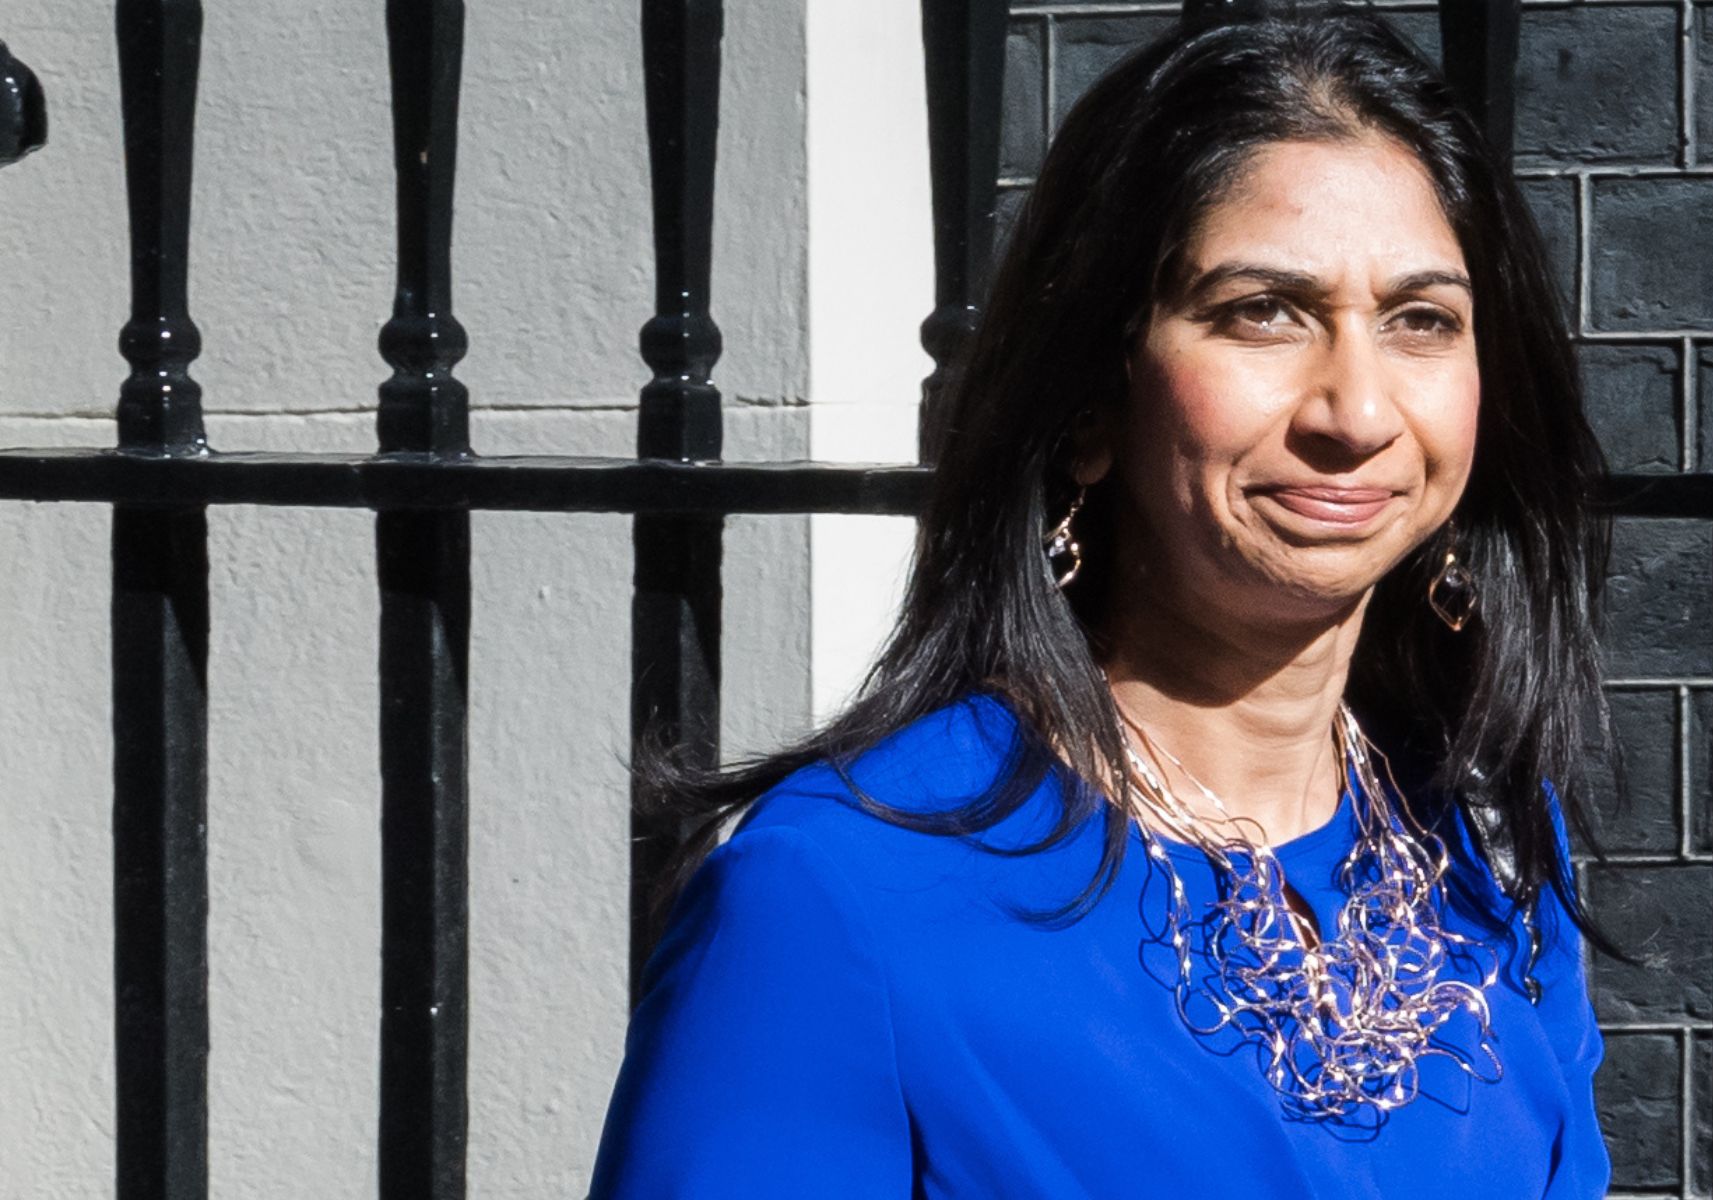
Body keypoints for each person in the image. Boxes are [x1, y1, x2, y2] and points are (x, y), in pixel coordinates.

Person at [589, 8, 1620, 1197]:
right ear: (1089, 404)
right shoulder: (838, 899)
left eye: (1420, 321)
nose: (1357, 412)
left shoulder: (1488, 834)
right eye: (1261, 313)